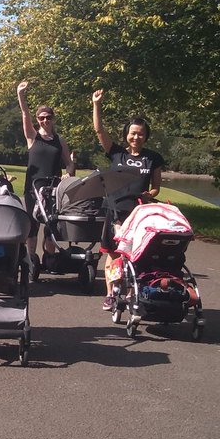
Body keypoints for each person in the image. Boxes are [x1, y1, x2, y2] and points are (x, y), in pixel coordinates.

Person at [92, 88, 165, 309]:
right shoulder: (117, 153)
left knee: (137, 255)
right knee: (113, 255)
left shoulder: (153, 158)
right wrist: (97, 104)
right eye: (132, 133)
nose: (136, 137)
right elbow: (99, 130)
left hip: (138, 214)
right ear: (127, 134)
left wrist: (148, 195)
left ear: (146, 136)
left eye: (140, 134)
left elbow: (156, 189)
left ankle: (134, 293)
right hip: (114, 211)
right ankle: (111, 294)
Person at [17, 82, 76, 265]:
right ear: (38, 119)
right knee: (32, 225)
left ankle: (49, 257)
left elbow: (69, 163)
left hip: (53, 189)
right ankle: (31, 258)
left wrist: (68, 173)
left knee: (51, 224)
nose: (45, 120)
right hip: (33, 188)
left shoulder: (60, 140)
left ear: (53, 118)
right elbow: (25, 114)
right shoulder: (33, 137)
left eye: (48, 117)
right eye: (41, 118)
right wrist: (21, 95)